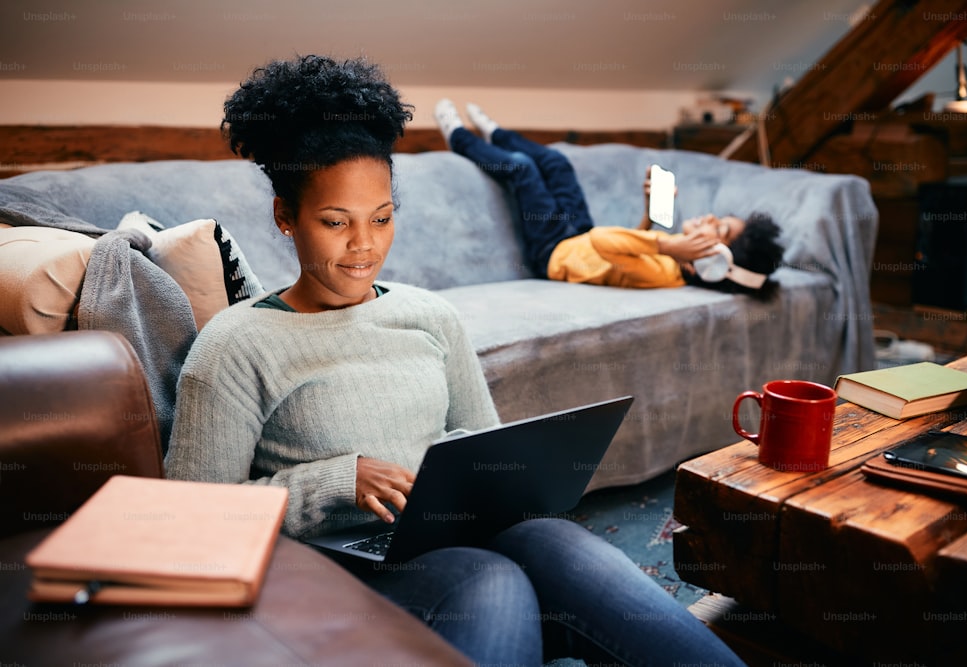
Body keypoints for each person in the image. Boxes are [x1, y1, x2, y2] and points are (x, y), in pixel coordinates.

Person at [165, 54, 747, 667]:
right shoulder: (235, 345)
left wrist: (498, 472)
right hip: (337, 566)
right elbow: (195, 522)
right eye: (336, 222)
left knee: (554, 542)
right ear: (285, 217)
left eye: (382, 219)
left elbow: (481, 437)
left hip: (445, 529)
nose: (364, 246)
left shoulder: (427, 314)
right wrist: (337, 481)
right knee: (488, 579)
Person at [434, 99, 785, 300]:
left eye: (719, 227)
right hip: (578, 236)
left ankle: (460, 137)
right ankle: (497, 133)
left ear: (712, 263)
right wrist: (649, 218)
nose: (709, 216)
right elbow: (622, 246)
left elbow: (606, 241)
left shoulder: (663, 271)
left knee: (524, 169)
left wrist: (666, 245)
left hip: (553, 254)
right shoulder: (667, 257)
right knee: (557, 163)